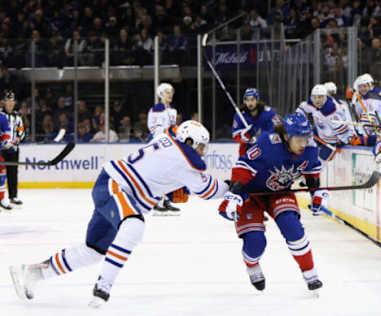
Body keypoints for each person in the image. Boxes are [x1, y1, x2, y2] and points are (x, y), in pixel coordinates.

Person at [9, 120, 229, 307]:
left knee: (93, 250)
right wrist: (234, 187)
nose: (202, 151)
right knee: (134, 225)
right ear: (189, 142)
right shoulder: (184, 160)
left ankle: (32, 272)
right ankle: (103, 287)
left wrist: (166, 188)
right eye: (201, 146)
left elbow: (157, 170)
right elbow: (208, 189)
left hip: (111, 185)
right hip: (117, 187)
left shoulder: (166, 138)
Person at [219, 113, 327, 294]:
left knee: (293, 228)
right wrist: (235, 194)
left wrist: (316, 193)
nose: (303, 144)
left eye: (305, 139)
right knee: (255, 242)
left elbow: (311, 170)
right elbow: (243, 166)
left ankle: (310, 274)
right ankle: (252, 265)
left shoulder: (309, 147)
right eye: (298, 139)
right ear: (286, 136)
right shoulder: (267, 144)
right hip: (252, 194)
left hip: (279, 192)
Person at [297, 84, 354, 161]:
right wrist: (298, 120)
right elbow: (302, 108)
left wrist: (344, 141)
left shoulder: (332, 111)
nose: (317, 100)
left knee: (321, 159)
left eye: (320, 97)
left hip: (331, 140)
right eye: (314, 97)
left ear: (325, 97)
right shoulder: (312, 103)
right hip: (319, 133)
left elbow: (344, 132)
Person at [148, 82, 180, 213]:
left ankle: (165, 199)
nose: (170, 94)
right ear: (160, 94)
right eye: (167, 92)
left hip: (170, 144)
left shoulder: (173, 110)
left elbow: (174, 127)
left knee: (168, 173)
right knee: (159, 173)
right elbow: (152, 128)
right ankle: (157, 200)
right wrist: (167, 131)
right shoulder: (155, 110)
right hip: (158, 144)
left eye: (171, 92)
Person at [232, 88, 279, 157]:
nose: (250, 103)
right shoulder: (240, 115)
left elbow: (278, 132)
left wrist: (262, 139)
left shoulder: (268, 113)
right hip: (247, 152)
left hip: (267, 150)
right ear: (244, 101)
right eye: (247, 100)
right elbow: (235, 134)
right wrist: (244, 137)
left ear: (257, 100)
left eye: (252, 100)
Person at [1, 91, 24, 205]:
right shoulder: (0, 116)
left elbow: (21, 131)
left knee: (13, 172)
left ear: (14, 103)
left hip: (13, 149)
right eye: (8, 101)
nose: (10, 103)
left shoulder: (18, 117)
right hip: (2, 149)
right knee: (1, 173)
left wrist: (18, 139)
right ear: (4, 102)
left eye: (12, 101)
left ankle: (13, 196)